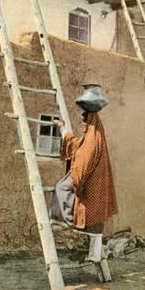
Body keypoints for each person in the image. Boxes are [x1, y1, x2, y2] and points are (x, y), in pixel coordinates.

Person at [51, 109, 118, 262]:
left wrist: (77, 182)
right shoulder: (93, 138)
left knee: (62, 188)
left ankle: (67, 219)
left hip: (91, 183)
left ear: (90, 123)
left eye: (84, 122)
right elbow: (77, 145)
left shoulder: (93, 141)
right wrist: (62, 128)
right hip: (96, 184)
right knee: (95, 218)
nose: (82, 125)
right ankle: (94, 255)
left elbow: (84, 161)